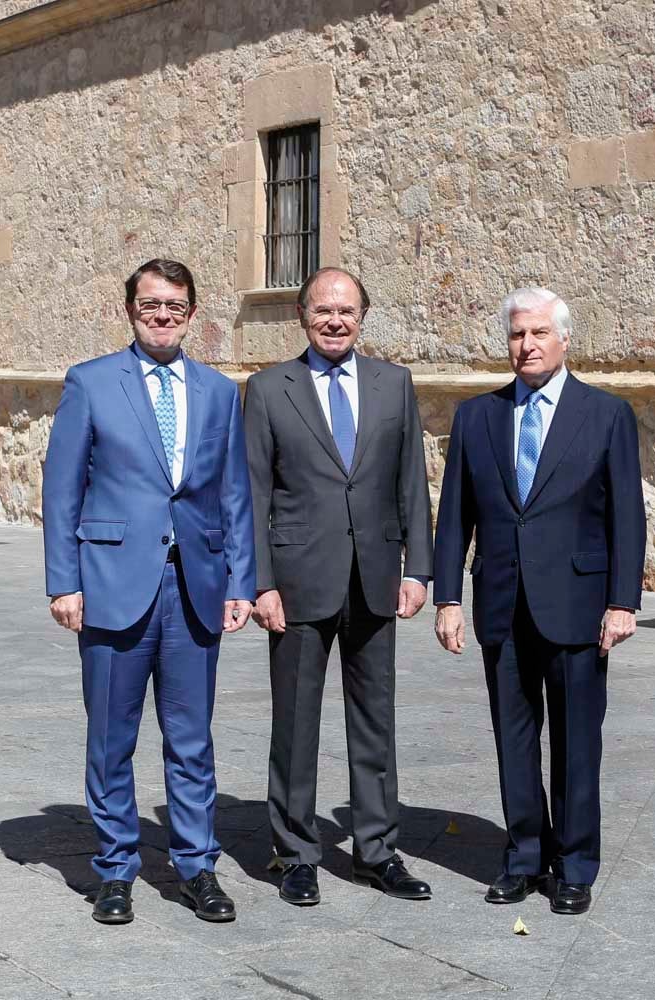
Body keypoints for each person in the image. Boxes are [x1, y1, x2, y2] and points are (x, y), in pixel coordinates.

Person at [42, 258, 255, 926]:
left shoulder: (220, 393)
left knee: (192, 739)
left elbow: (233, 493)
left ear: (193, 313)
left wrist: (241, 580)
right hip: (111, 584)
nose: (162, 316)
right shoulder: (91, 383)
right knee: (111, 738)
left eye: (175, 306)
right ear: (130, 309)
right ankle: (114, 871)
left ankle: (198, 868)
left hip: (196, 585)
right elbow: (61, 488)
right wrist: (64, 581)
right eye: (150, 305)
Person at [431, 287, 645, 916]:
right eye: (517, 335)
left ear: (564, 339)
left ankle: (574, 865)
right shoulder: (477, 417)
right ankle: (524, 855)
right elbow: (455, 518)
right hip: (501, 602)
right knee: (513, 740)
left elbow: (626, 517)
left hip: (578, 605)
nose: (526, 346)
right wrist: (448, 598)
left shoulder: (605, 414)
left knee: (578, 742)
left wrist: (622, 602)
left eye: (538, 334)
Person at [244, 267, 434, 907]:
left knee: (376, 722)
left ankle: (377, 851)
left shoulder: (394, 384)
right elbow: (254, 494)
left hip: (376, 579)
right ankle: (294, 852)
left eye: (346, 311)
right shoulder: (270, 389)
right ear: (303, 317)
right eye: (323, 310)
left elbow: (412, 483)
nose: (334, 320)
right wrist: (260, 583)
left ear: (362, 317)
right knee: (294, 724)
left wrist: (419, 569)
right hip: (297, 583)